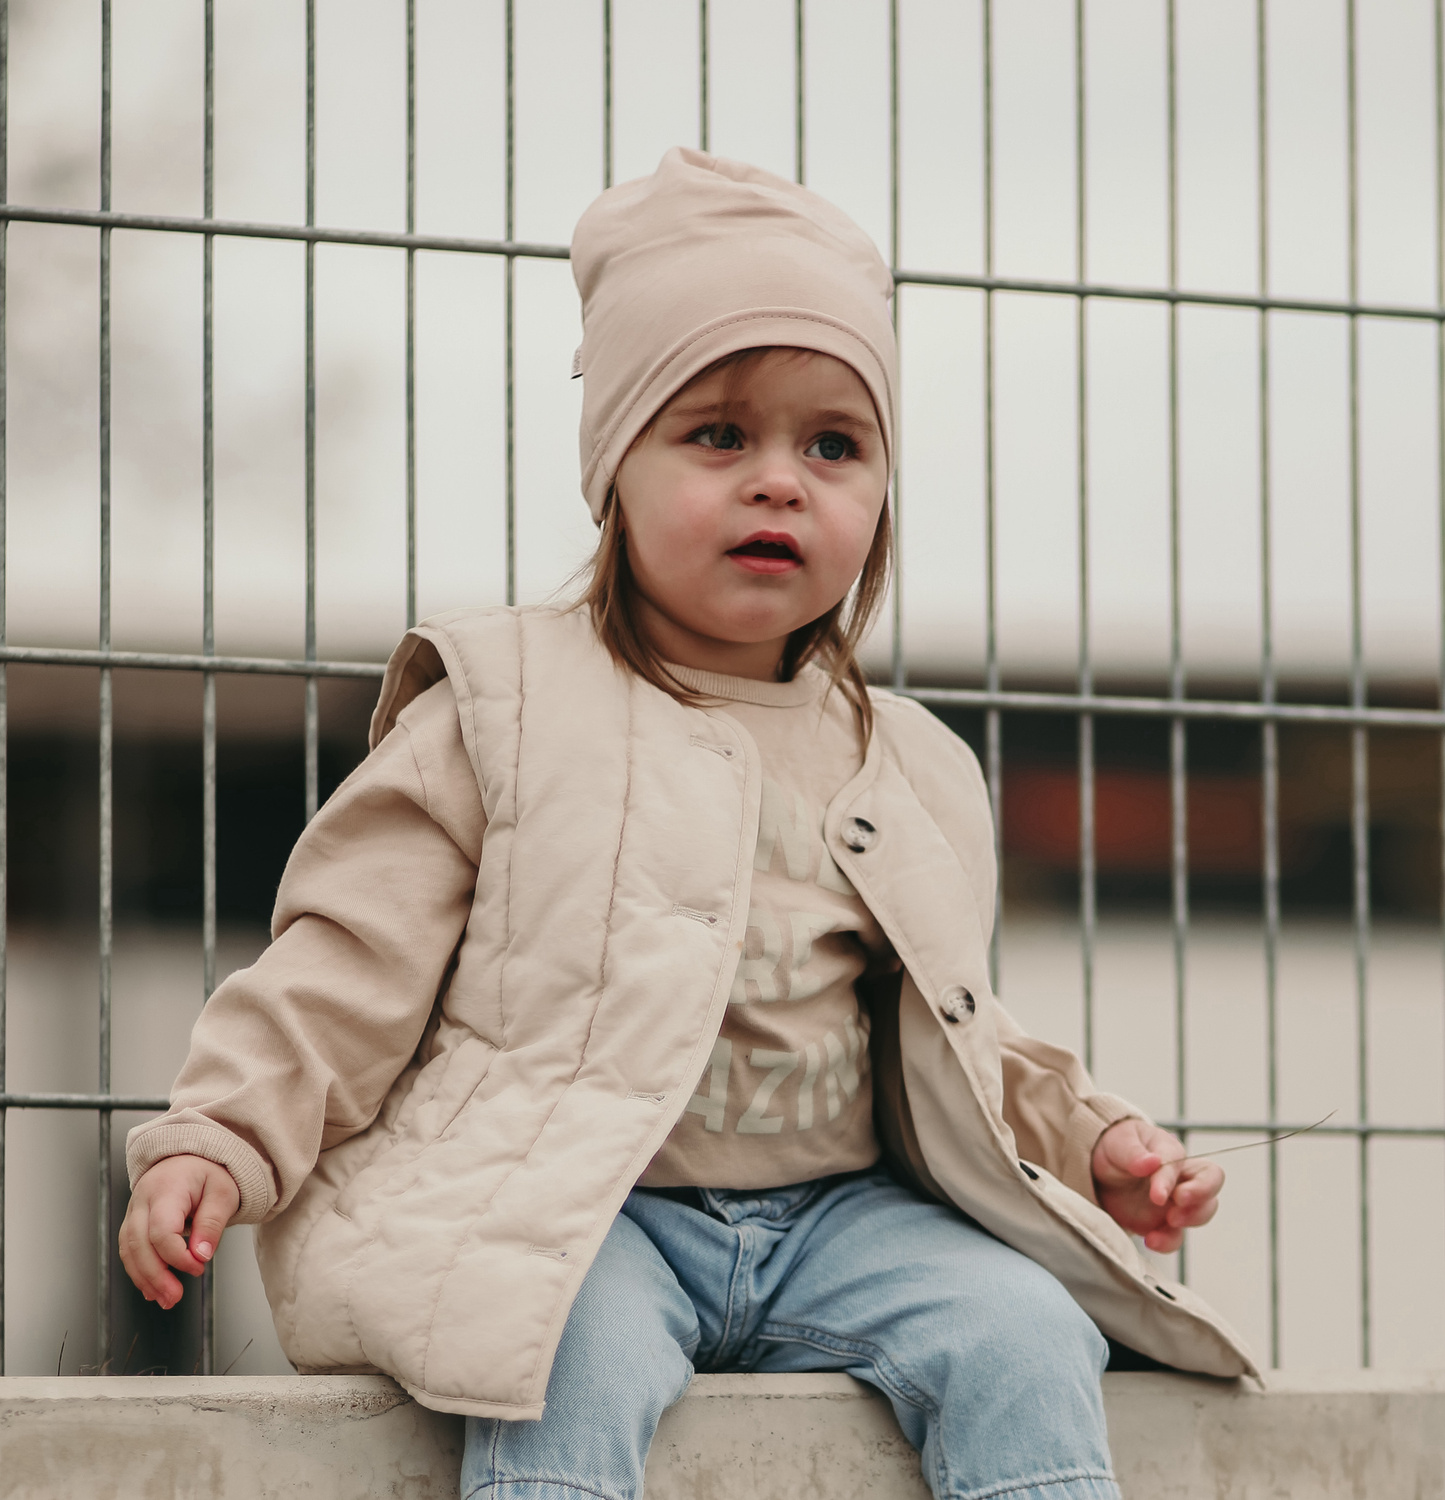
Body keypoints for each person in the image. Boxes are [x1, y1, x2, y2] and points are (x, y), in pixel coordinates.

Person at [119, 148, 1254, 1500]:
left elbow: (954, 1030)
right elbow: (343, 965)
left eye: (833, 445)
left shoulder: (907, 762)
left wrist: (1092, 1138)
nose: (781, 482)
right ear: (616, 467)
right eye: (719, 435)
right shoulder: (505, 707)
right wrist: (221, 1135)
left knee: (1026, 1334)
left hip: (843, 1222)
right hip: (576, 1214)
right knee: (549, 1355)